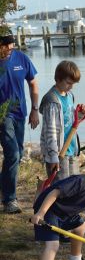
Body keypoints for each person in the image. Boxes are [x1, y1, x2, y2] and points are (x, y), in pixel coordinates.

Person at [0, 28, 39, 214]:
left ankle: (5, 190)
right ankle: (10, 199)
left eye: (11, 43)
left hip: (20, 114)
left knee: (17, 153)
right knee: (13, 153)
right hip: (2, 116)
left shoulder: (21, 58)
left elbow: (33, 83)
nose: (10, 47)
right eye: (6, 44)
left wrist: (34, 110)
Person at [39, 60, 85, 182]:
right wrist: (52, 157)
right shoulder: (52, 101)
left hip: (71, 149)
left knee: (73, 185)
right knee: (61, 187)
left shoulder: (69, 96)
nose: (71, 86)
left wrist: (80, 114)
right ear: (58, 79)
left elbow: (70, 121)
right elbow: (50, 131)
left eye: (73, 84)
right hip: (59, 152)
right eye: (68, 83)